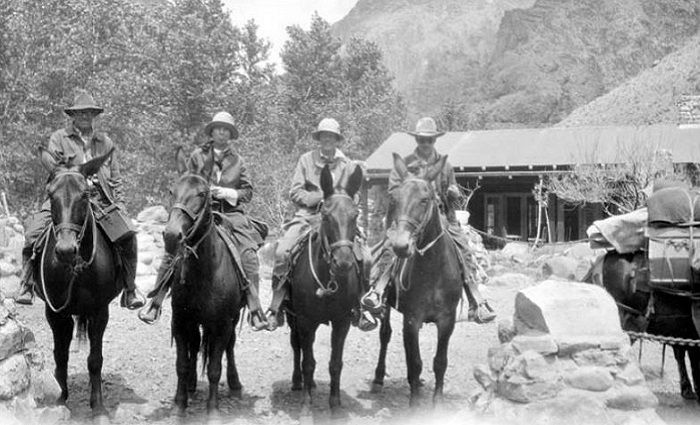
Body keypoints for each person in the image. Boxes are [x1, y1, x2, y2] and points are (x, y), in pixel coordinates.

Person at [139, 112, 268, 330]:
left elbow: (247, 192)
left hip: (230, 213)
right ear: (212, 131)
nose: (222, 132)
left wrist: (226, 192)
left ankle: (255, 307)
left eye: (226, 130)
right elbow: (187, 182)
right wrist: (202, 191)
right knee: (174, 245)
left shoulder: (238, 160)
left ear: (231, 134)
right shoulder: (198, 155)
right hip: (198, 212)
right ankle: (156, 300)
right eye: (218, 128)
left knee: (248, 253)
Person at [16, 92, 145, 309]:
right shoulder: (59, 138)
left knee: (128, 236)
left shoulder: (105, 142)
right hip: (67, 198)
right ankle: (27, 283)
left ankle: (130, 289)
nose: (85, 116)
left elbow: (116, 178)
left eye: (89, 112)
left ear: (94, 115)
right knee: (32, 234)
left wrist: (120, 205)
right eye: (80, 112)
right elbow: (55, 171)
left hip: (100, 200)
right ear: (73, 116)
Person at [361, 117, 496, 323]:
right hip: (410, 216)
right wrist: (409, 193)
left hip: (439, 216)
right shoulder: (404, 164)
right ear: (416, 140)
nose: (425, 144)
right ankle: (378, 291)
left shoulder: (445, 165)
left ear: (434, 141)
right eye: (422, 140)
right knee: (390, 246)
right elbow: (393, 191)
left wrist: (452, 192)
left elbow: (453, 189)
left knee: (462, 247)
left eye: (429, 140)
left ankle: (475, 299)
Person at [265, 118, 372, 331]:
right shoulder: (306, 160)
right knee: (283, 252)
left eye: (331, 136)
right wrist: (320, 198)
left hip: (339, 220)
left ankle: (361, 307)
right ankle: (277, 305)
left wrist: (343, 202)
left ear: (337, 140)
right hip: (308, 216)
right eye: (324, 136)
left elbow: (355, 195)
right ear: (319, 138)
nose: (327, 140)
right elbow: (295, 191)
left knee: (366, 256)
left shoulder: (348, 165)